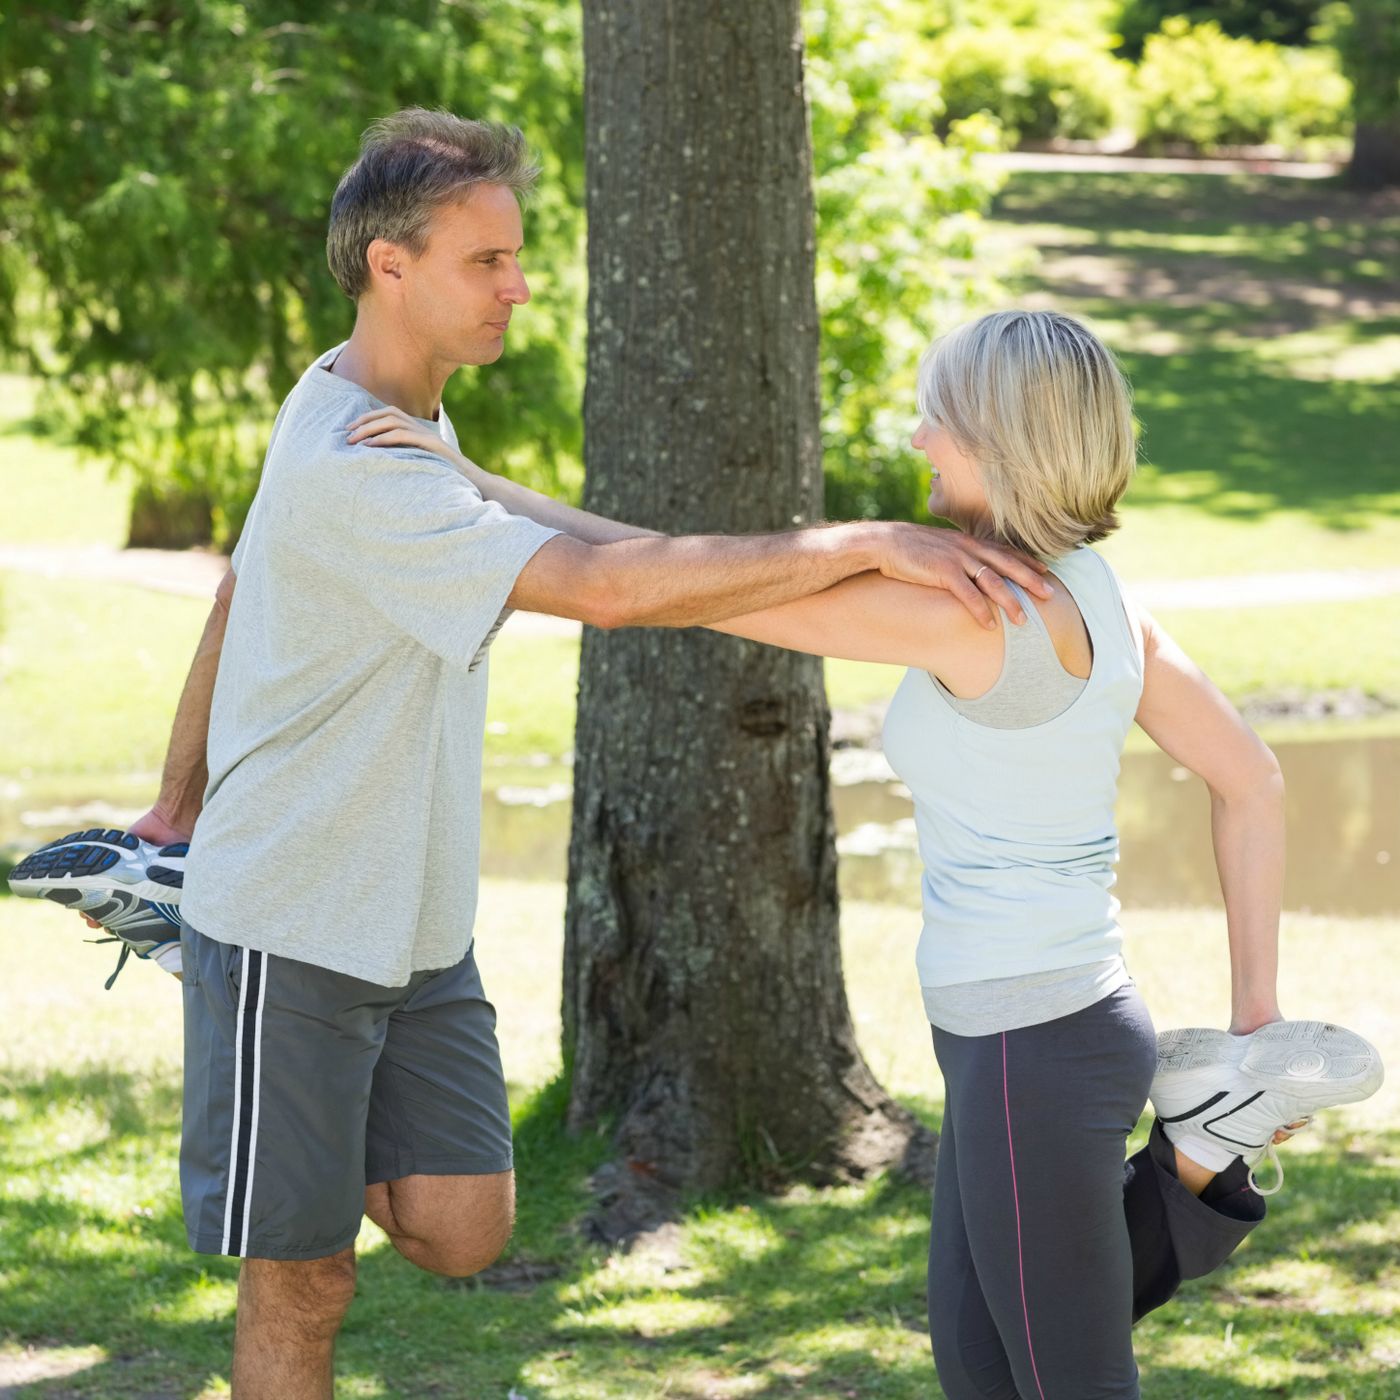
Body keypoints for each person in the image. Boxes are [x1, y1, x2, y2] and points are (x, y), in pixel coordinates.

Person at [24, 110, 1059, 1400]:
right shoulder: (362, 465)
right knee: (304, 1281)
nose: (519, 285)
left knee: (466, 1226)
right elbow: (610, 593)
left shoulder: (376, 409)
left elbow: (245, 584)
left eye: (518, 256)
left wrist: (172, 807)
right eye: (486, 261)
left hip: (410, 927)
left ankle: (221, 952)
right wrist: (866, 538)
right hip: (293, 916)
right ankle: (236, 992)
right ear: (387, 267)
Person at [355, 306, 1383, 1399]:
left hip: (1027, 1042)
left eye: (934, 416)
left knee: (1060, 1374)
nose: (914, 439)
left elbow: (675, 586)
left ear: (1000, 440)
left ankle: (1200, 1154)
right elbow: (1252, 779)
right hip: (1048, 1028)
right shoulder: (1098, 596)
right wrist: (1255, 1006)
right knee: (984, 1355)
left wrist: (481, 490)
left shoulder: (972, 614)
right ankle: (1197, 1151)